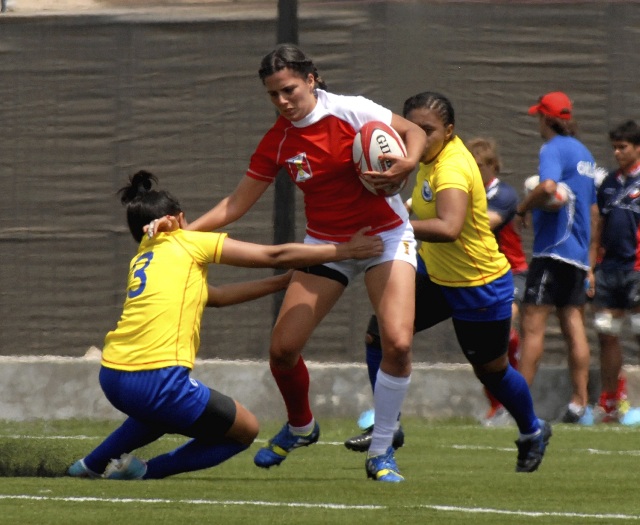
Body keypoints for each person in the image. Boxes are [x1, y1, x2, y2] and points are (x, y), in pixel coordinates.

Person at [181, 44, 427, 483]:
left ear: (311, 80)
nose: (282, 101)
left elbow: (413, 132)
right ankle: (301, 426)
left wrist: (406, 163)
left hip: (384, 238)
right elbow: (235, 204)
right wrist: (182, 235)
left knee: (398, 342)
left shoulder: (351, 110)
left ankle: (381, 450)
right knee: (282, 350)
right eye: (272, 94)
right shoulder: (278, 140)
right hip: (327, 245)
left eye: (289, 89)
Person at [67, 170, 383, 480]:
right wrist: (345, 251)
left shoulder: (142, 256)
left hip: (113, 376)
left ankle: (89, 465)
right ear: (181, 218)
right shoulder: (189, 242)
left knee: (158, 414)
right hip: (156, 378)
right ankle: (146, 471)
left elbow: (215, 297)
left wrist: (281, 283)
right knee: (245, 430)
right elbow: (274, 254)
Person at [345, 91, 551, 473]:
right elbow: (413, 207)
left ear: (450, 131)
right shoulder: (423, 158)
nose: (419, 137)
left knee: (492, 371)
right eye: (411, 129)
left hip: (477, 284)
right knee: (381, 337)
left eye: (429, 130)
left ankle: (532, 431)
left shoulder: (452, 166)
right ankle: (388, 427)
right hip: (436, 275)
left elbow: (449, 227)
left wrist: (395, 226)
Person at [516, 91, 599, 424]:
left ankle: (517, 405)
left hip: (552, 250)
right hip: (577, 254)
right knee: (574, 327)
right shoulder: (585, 154)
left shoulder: (552, 148)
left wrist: (523, 207)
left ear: (546, 119)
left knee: (532, 327)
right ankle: (580, 404)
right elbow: (593, 211)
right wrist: (589, 261)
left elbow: (548, 187)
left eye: (539, 117)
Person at [468, 137, 529, 426]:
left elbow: (487, 222)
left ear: (493, 166)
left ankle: (511, 402)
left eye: (479, 165)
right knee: (481, 346)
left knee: (505, 333)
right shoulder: (467, 193)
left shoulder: (503, 194)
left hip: (511, 272)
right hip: (479, 276)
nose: (474, 170)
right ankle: (496, 405)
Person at [591, 120, 640, 423]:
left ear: (637, 148)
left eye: (623, 147)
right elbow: (599, 225)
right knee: (606, 330)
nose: (617, 153)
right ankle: (610, 400)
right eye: (614, 148)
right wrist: (591, 267)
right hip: (609, 268)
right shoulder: (609, 183)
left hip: (637, 266)